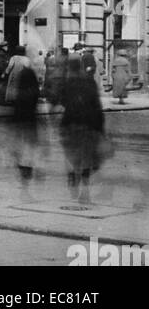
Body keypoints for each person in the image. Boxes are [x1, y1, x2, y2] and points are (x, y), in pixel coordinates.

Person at [60, 56, 106, 207]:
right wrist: (100, 128)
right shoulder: (89, 82)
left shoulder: (67, 83)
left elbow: (60, 101)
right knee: (86, 158)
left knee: (71, 156)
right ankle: (85, 192)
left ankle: (73, 178)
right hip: (86, 124)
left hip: (69, 124)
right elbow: (97, 106)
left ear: (69, 69)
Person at [7, 53, 40, 191]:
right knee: (29, 141)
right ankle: (27, 166)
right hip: (30, 118)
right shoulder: (32, 87)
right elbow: (36, 96)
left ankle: (21, 163)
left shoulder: (20, 83)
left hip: (20, 116)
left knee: (20, 140)